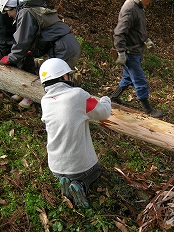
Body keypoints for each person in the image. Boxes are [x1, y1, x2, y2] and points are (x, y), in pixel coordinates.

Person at [39, 58, 111, 208]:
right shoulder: (78, 95)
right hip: (79, 167)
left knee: (66, 170)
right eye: (68, 75)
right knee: (97, 170)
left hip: (55, 167)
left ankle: (64, 180)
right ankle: (81, 185)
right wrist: (106, 99)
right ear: (62, 77)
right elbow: (103, 113)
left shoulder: (45, 101)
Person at [0, 0, 81, 108]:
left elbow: (22, 41)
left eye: (7, 12)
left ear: (12, 8)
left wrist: (10, 58)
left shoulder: (25, 13)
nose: (8, 16)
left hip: (63, 48)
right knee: (59, 79)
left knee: (55, 80)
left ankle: (62, 109)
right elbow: (42, 35)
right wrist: (31, 51)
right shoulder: (34, 9)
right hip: (67, 45)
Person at [110, 0, 164, 118]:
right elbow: (119, 33)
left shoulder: (139, 7)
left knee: (127, 77)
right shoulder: (130, 8)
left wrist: (147, 40)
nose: (150, 2)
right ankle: (148, 110)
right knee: (140, 81)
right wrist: (121, 52)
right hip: (130, 53)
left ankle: (114, 97)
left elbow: (139, 29)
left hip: (136, 51)